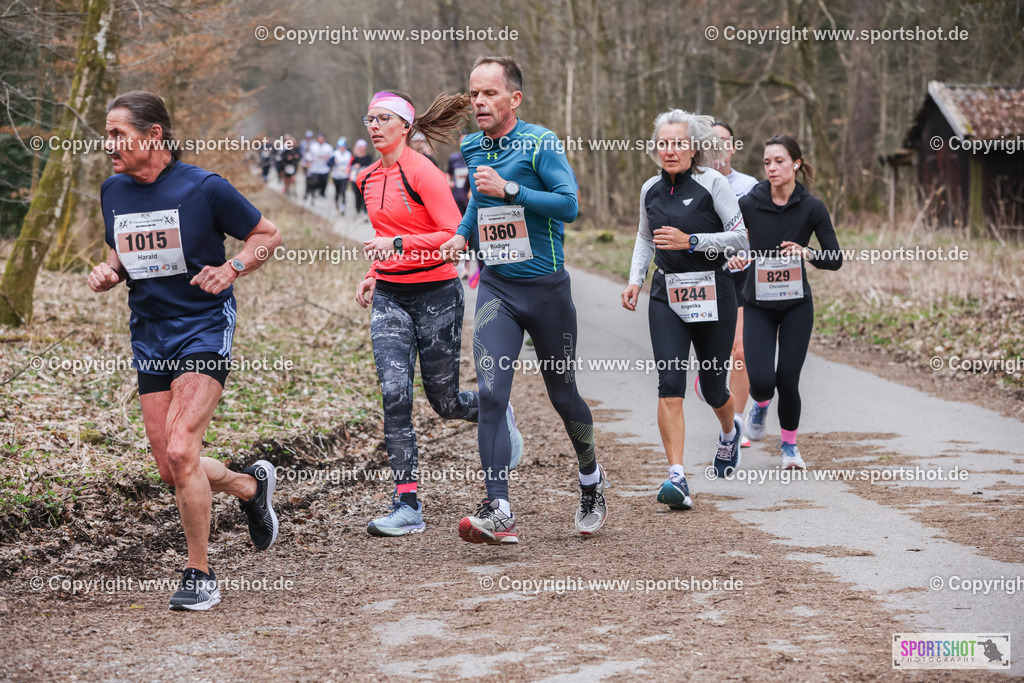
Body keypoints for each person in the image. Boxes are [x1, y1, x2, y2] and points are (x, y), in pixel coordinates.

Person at [89, 91, 283, 610]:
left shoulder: (203, 187)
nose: (108, 144)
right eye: (107, 135)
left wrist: (233, 268)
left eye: (117, 134)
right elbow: (120, 250)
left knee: (181, 450)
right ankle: (249, 488)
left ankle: (200, 574)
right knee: (170, 467)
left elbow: (266, 234)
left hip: (202, 326)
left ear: (153, 135)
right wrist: (110, 271)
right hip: (149, 333)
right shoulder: (113, 190)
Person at [440, 55, 608, 543]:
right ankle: (499, 508)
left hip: (547, 291)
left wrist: (512, 188)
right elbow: (479, 200)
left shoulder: (540, 143)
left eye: (489, 93)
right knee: (492, 394)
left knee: (563, 395)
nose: (479, 102)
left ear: (514, 98)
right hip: (497, 288)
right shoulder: (472, 145)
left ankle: (591, 479)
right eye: (474, 93)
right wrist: (462, 233)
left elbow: (569, 205)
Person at [354, 89, 523, 537]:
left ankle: (494, 409)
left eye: (383, 118)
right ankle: (407, 505)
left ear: (405, 127)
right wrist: (374, 272)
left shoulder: (423, 172)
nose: (374, 126)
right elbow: (385, 232)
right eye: (370, 119)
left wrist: (397, 245)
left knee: (444, 402)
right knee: (394, 395)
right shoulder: (366, 178)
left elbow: (454, 235)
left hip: (437, 294)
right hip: (391, 296)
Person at [621, 110, 748, 510]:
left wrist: (691, 241)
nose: (670, 151)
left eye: (678, 143)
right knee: (670, 384)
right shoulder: (649, 189)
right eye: (663, 144)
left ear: (693, 148)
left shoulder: (713, 183)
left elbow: (741, 239)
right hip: (667, 296)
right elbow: (645, 238)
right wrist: (635, 280)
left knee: (713, 388)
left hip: (714, 292)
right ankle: (677, 476)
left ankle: (729, 432)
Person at [730, 135, 842, 470]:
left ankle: (790, 447)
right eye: (767, 162)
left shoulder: (812, 207)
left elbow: (835, 258)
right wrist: (735, 256)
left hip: (796, 306)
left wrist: (806, 252)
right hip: (758, 305)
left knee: (789, 380)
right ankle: (761, 405)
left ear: (796, 164)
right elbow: (730, 241)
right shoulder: (749, 203)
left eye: (779, 161)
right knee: (763, 381)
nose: (772, 168)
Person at [713, 121, 759, 448]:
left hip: (742, 277)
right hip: (706, 279)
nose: (717, 148)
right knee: (714, 354)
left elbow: (758, 232)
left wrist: (747, 255)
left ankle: (738, 420)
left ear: (732, 147)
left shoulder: (749, 186)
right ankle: (712, 386)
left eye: (723, 142)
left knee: (740, 350)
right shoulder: (693, 184)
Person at [305, 133, 333, 202]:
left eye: (322, 139)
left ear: (324, 139)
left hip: (324, 168)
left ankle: (322, 194)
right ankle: (313, 192)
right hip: (315, 168)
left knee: (323, 182)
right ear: (317, 139)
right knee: (315, 182)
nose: (321, 140)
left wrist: (328, 158)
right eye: (319, 139)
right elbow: (308, 154)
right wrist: (310, 160)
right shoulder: (313, 146)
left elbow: (332, 157)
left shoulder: (328, 147)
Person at [350, 139, 373, 215]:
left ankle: (365, 211)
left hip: (365, 180)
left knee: (365, 195)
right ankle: (358, 210)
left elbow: (367, 162)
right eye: (359, 147)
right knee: (357, 195)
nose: (361, 149)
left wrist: (359, 164)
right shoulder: (354, 157)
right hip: (355, 180)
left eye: (362, 147)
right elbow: (350, 165)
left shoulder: (368, 157)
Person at [331, 137, 352, 212]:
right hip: (336, 175)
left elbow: (351, 164)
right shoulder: (334, 153)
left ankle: (343, 205)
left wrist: (349, 170)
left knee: (343, 191)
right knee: (337, 191)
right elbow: (329, 163)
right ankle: (336, 204)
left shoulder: (348, 154)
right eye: (340, 147)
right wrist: (333, 161)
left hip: (344, 175)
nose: (342, 148)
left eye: (343, 146)